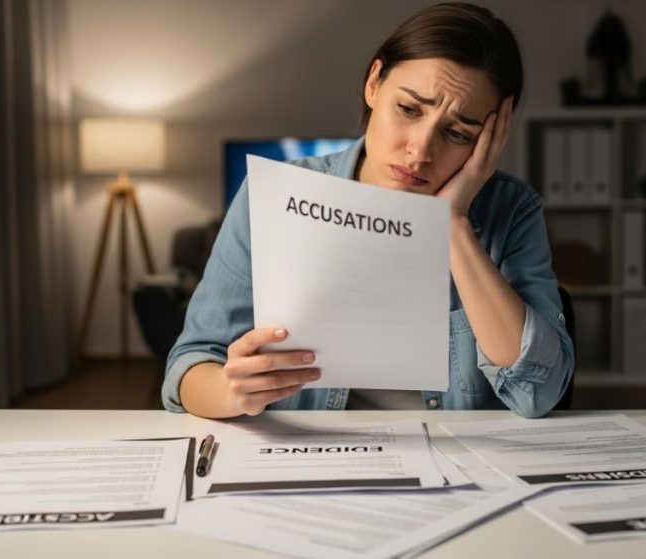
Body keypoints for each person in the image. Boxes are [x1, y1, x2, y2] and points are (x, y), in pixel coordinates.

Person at [162, 2, 574, 419]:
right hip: (311, 460)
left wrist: (452, 225)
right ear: (374, 83)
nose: (420, 151)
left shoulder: (512, 210)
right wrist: (230, 390)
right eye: (409, 109)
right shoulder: (273, 196)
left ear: (490, 137)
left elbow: (538, 394)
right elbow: (190, 365)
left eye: (458, 133)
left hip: (461, 464)